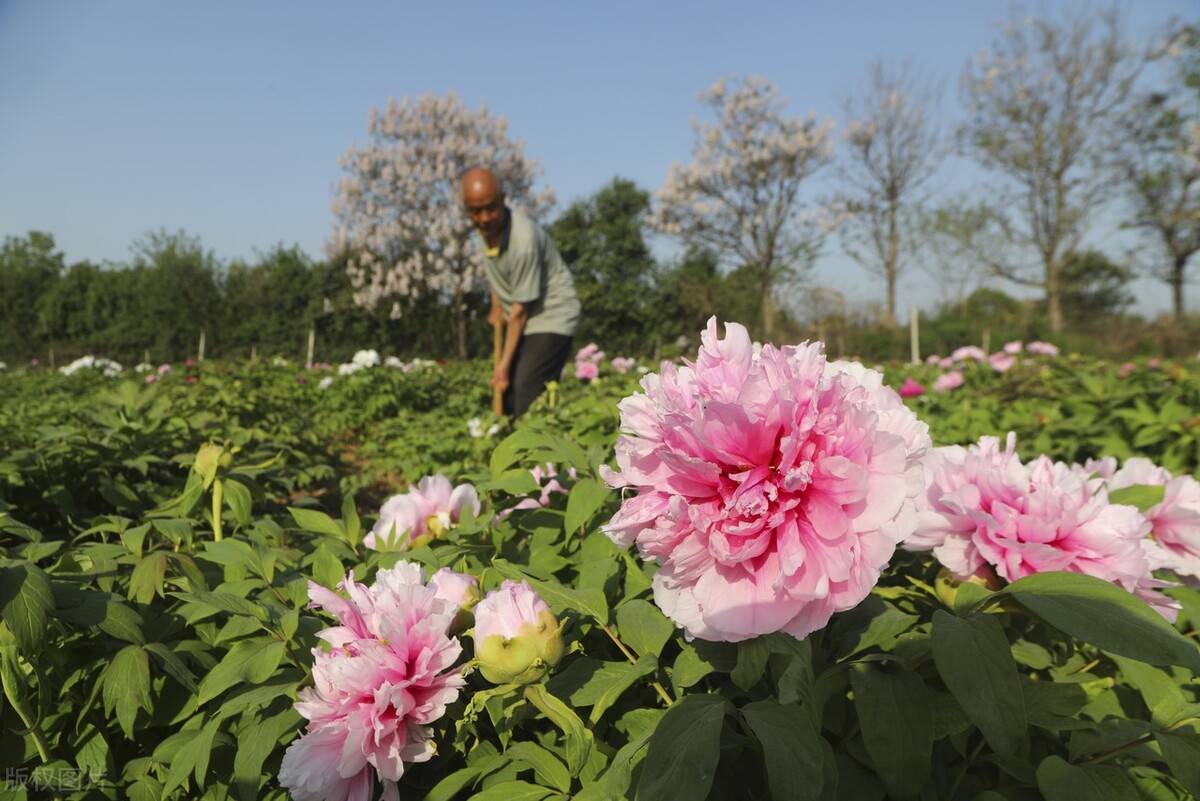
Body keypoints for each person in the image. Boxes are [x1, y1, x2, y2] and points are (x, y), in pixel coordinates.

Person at [462, 167, 580, 417]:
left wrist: (503, 367)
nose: (483, 218)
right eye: (475, 211)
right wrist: (496, 304)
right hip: (523, 315)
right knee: (508, 397)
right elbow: (499, 275)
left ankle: (539, 454)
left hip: (551, 315)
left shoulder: (523, 240)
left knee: (527, 392)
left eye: (490, 208)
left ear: (503, 199)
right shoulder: (483, 235)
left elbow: (519, 312)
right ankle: (509, 450)